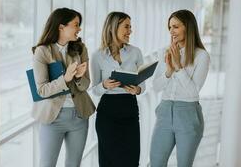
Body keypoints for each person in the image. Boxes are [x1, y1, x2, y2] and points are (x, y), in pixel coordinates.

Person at [31, 8, 95, 167]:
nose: (79, 29)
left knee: (74, 164)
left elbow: (86, 84)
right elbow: (42, 90)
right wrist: (65, 79)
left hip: (79, 116)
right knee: (47, 164)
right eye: (76, 24)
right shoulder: (42, 51)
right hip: (53, 118)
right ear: (61, 27)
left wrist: (79, 78)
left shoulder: (80, 48)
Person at [150, 9, 210, 167]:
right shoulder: (164, 51)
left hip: (188, 115)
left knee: (184, 164)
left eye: (175, 27)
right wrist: (169, 72)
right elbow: (155, 86)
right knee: (156, 162)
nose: (171, 31)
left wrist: (178, 66)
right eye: (169, 27)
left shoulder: (202, 56)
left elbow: (193, 92)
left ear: (188, 27)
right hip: (164, 112)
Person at [90, 11, 145, 167]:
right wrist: (104, 85)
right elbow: (94, 89)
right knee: (109, 161)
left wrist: (138, 90)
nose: (130, 31)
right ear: (113, 27)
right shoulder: (98, 56)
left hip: (130, 110)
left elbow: (143, 84)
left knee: (131, 160)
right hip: (107, 113)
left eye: (130, 27)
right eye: (126, 27)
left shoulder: (136, 52)